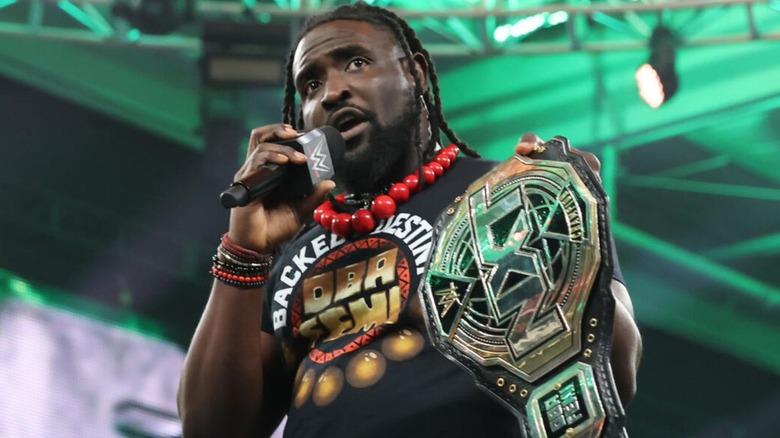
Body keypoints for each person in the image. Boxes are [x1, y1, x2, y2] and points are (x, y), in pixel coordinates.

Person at [178, 2, 642, 437]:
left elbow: (618, 367)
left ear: (415, 73)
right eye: (311, 85)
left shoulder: (505, 195)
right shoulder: (293, 249)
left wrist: (561, 246)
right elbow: (209, 428)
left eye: (356, 62)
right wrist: (245, 253)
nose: (332, 91)